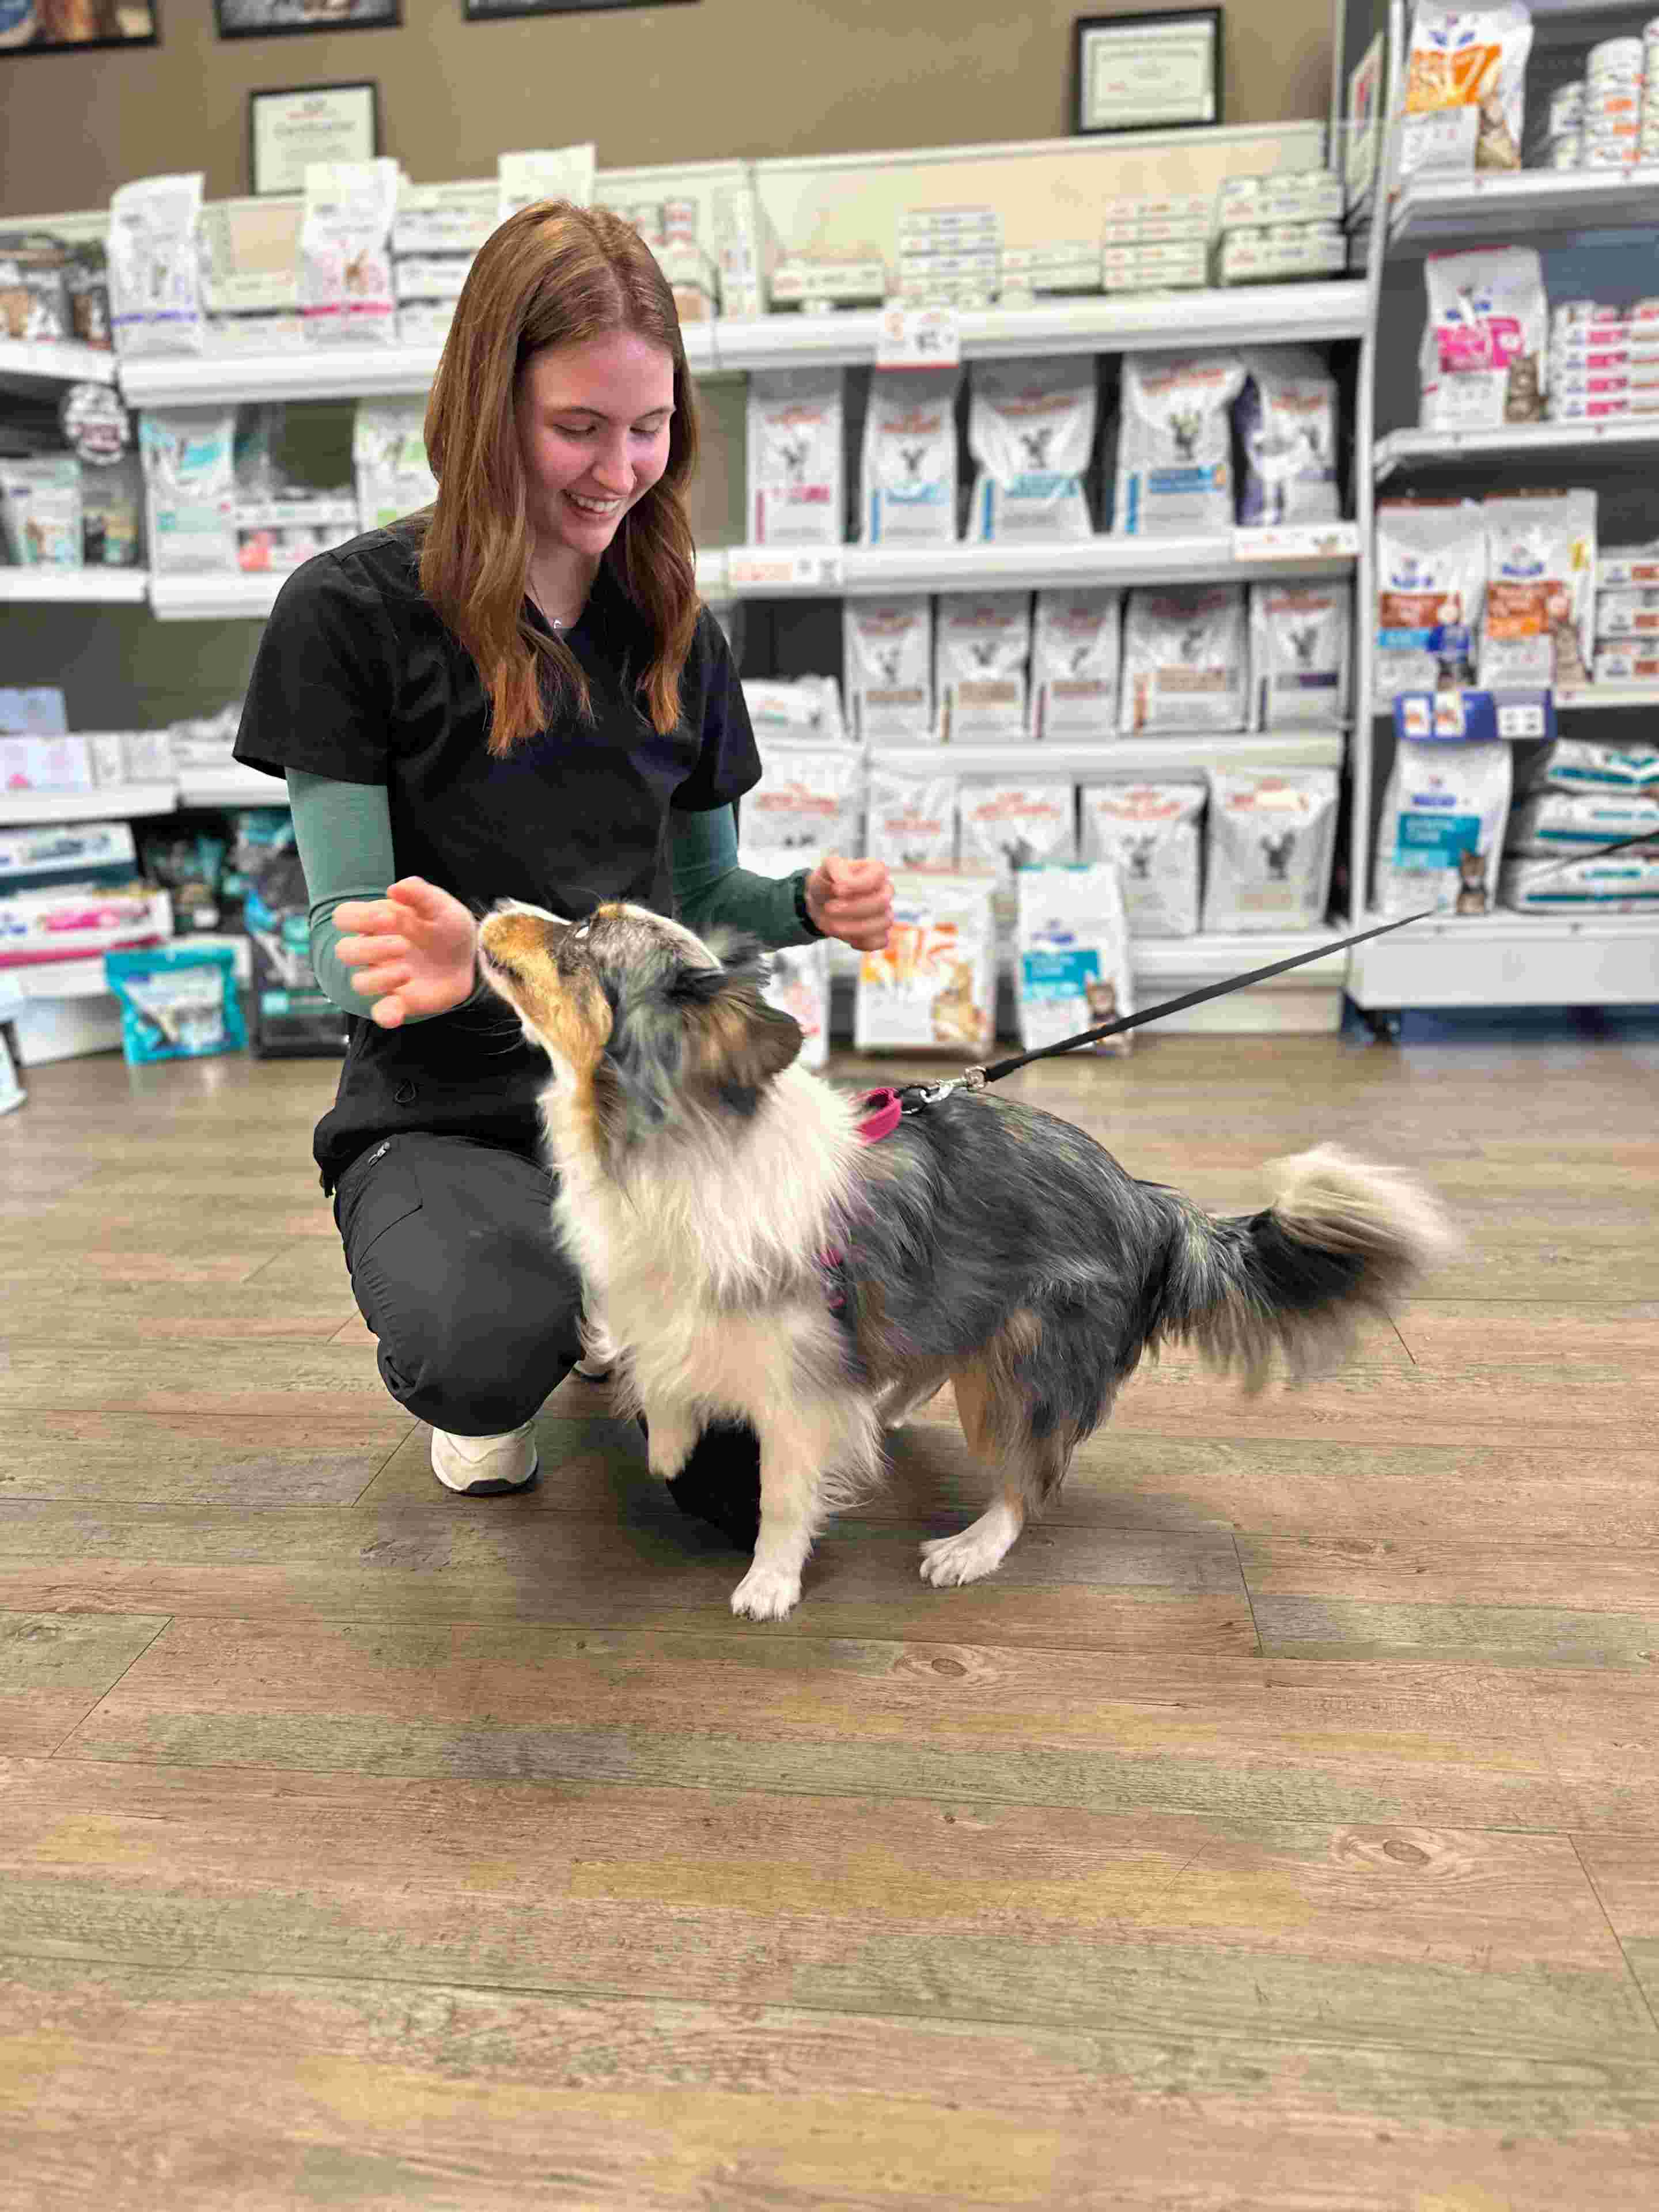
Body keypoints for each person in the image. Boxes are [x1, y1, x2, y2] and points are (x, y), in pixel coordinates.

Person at [232, 199, 892, 1524]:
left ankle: (612, 1292)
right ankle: (546, 1320)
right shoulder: (348, 617)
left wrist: (809, 907)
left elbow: (705, 904)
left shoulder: (676, 635)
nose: (619, 468)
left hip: (653, 1113)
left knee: (744, 1466)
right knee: (482, 1356)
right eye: (577, 429)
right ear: (488, 412)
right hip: (451, 1110)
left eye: (649, 430)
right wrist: (409, 959)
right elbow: (339, 937)